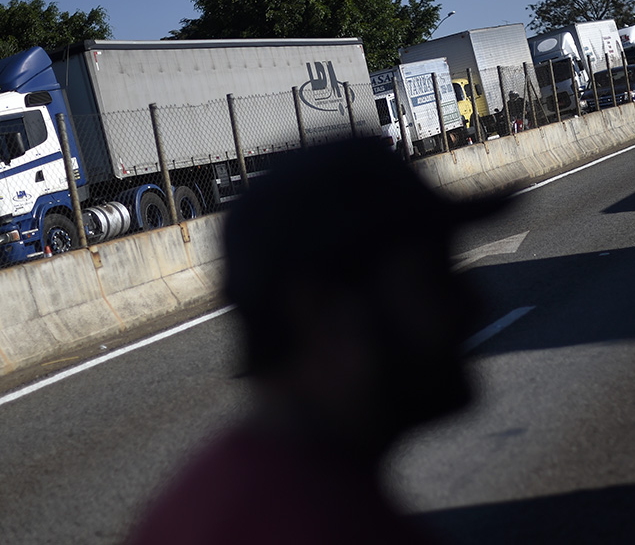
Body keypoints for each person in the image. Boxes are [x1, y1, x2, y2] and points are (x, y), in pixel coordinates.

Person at [128, 138, 505, 544]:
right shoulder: (328, 526)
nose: (472, 304)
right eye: (429, 280)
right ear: (322, 315)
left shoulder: (220, 497)